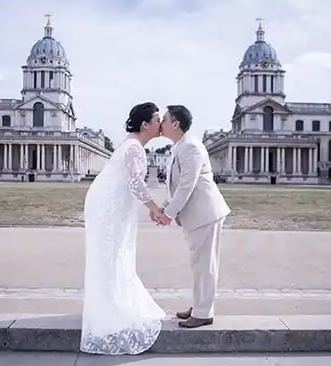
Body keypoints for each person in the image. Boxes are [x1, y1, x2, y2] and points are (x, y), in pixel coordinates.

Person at [80, 102, 165, 355]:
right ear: (145, 124)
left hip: (108, 201)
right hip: (110, 205)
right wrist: (153, 206)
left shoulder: (131, 145)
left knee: (112, 252)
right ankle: (110, 307)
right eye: (157, 119)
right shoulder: (134, 148)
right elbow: (135, 182)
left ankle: (106, 301)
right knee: (113, 252)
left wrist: (148, 206)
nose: (161, 124)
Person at [158, 105, 230, 328]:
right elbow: (177, 186)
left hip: (205, 213)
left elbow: (186, 187)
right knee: (199, 263)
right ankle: (200, 306)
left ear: (175, 123)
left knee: (204, 264)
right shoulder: (181, 146)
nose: (160, 123)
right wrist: (165, 208)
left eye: (164, 119)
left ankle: (203, 312)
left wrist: (168, 214)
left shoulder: (191, 147)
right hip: (198, 214)